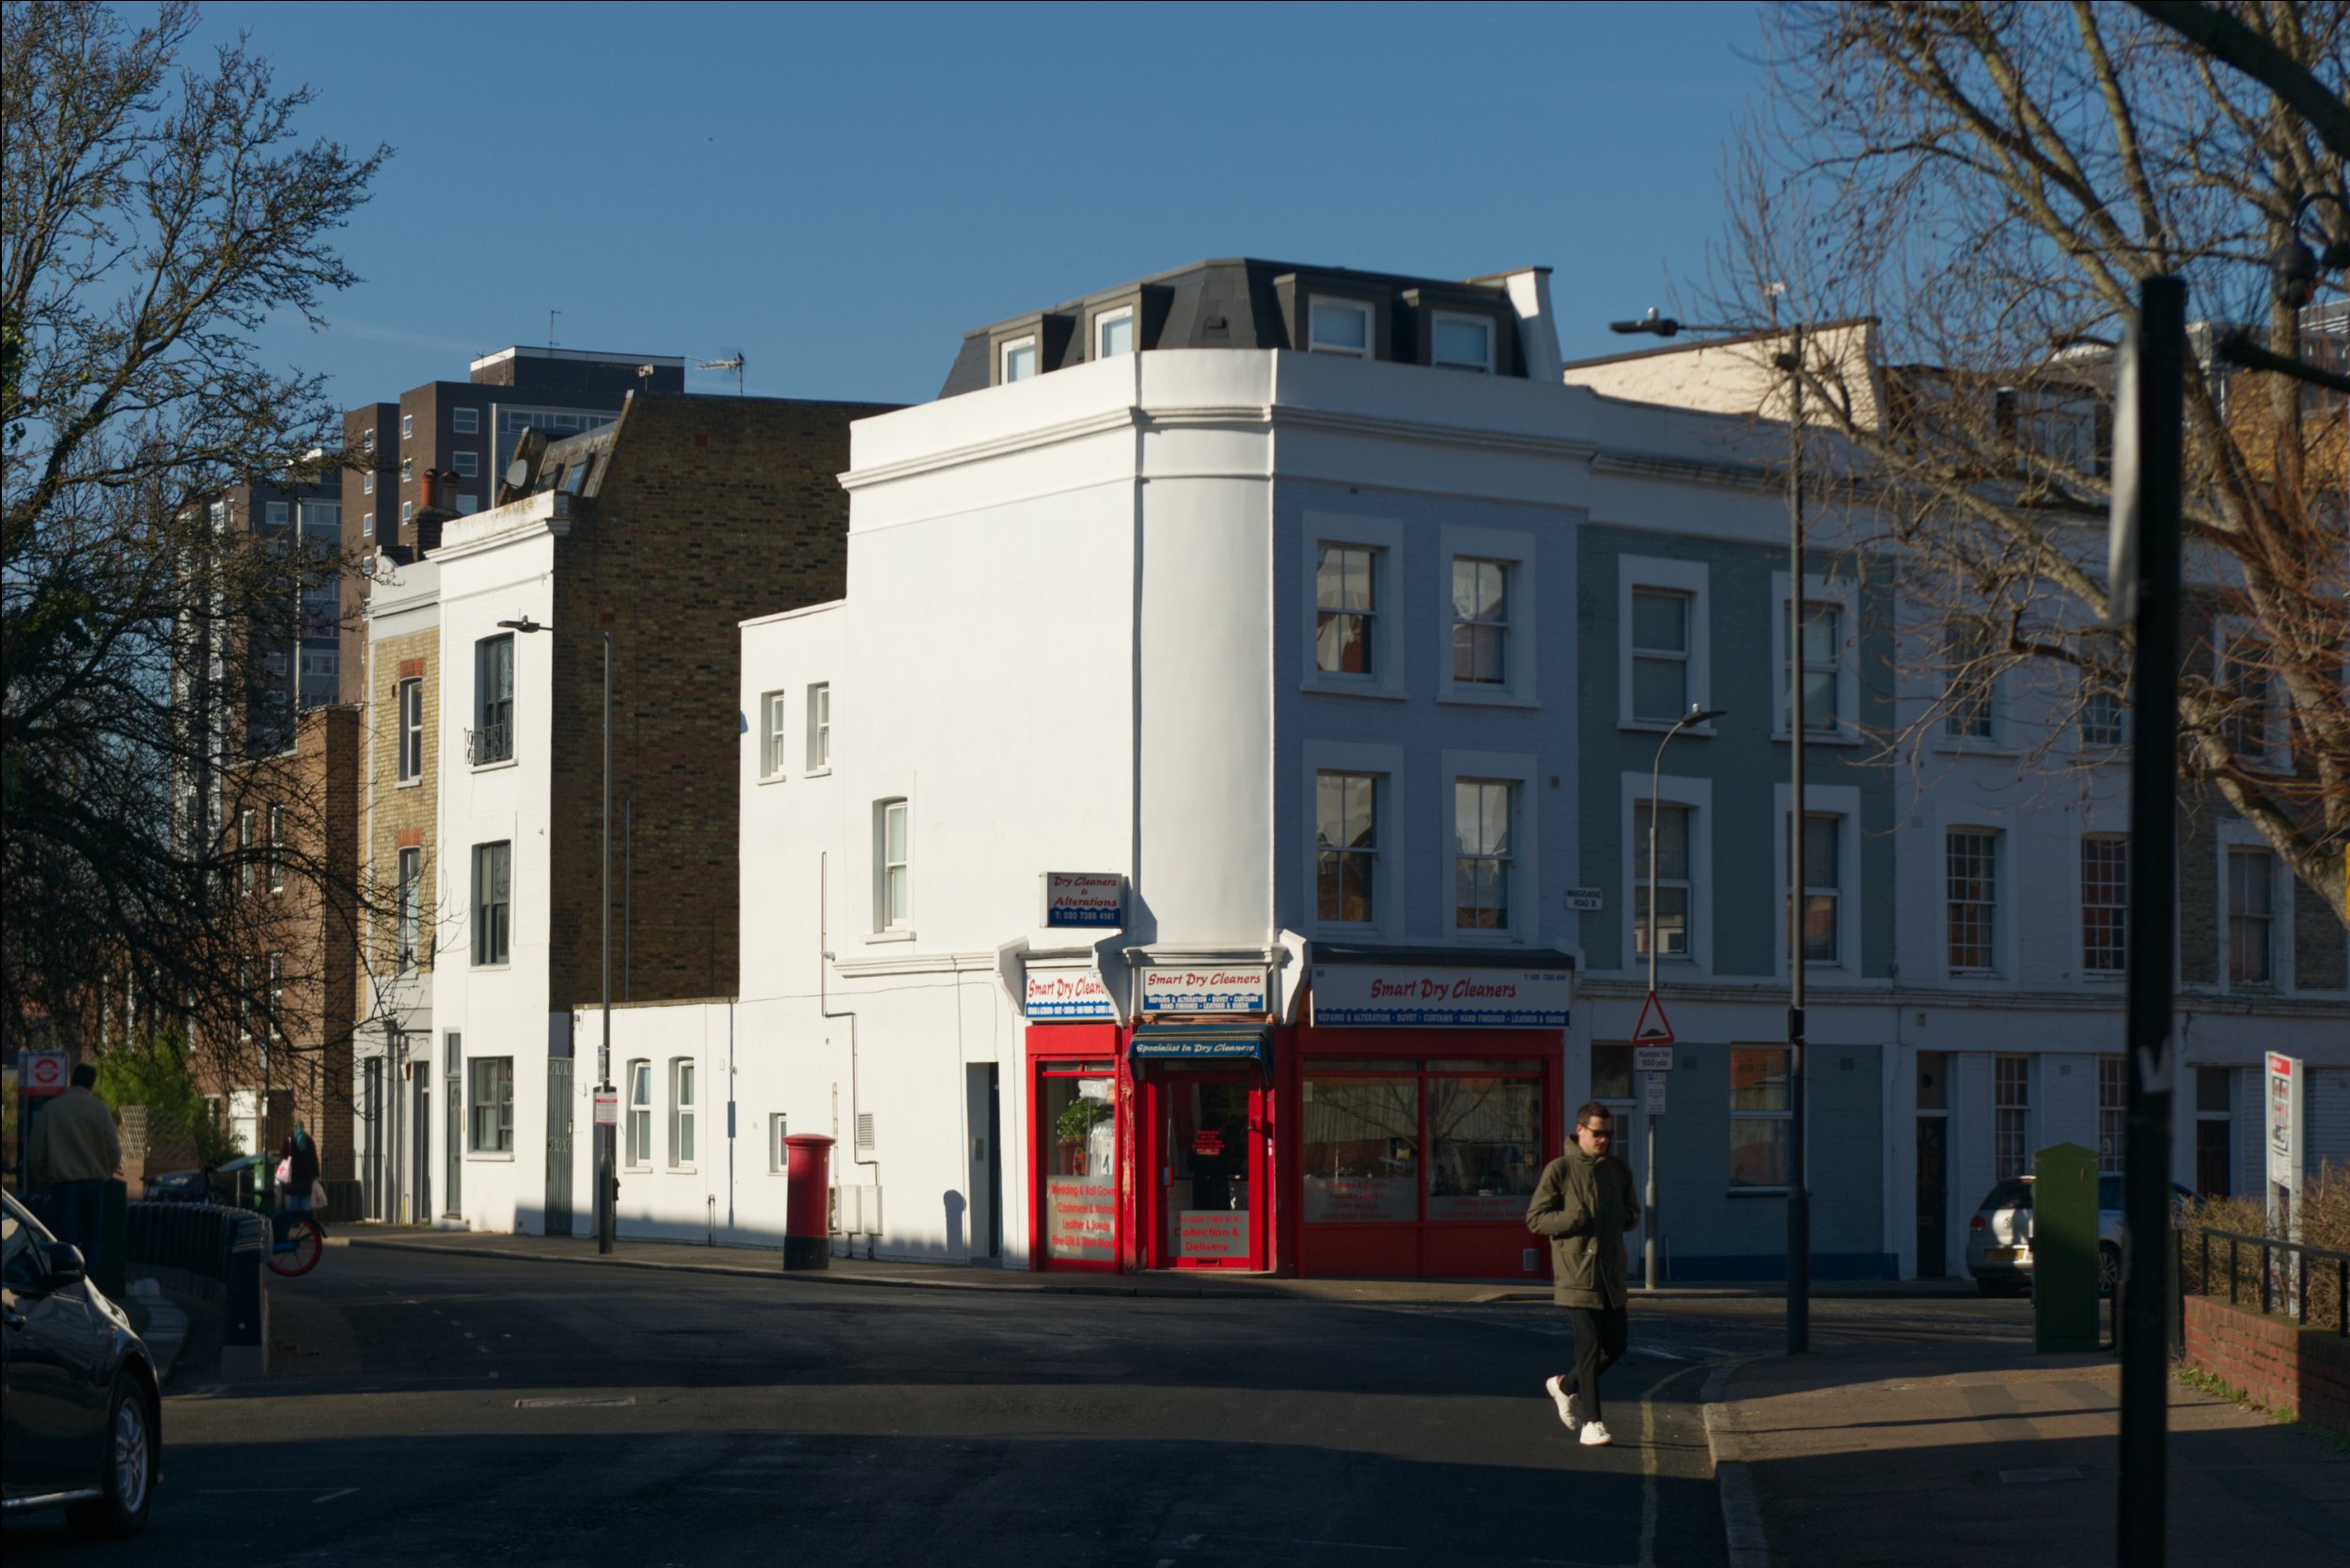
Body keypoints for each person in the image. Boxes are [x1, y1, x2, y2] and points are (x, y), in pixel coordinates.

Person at [1526, 1101, 1641, 1448]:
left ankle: (1564, 1386)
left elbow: (1633, 1212)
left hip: (1611, 1274)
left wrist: (1626, 1217)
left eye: (1608, 1134)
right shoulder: (1559, 1169)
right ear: (1580, 1131)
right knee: (1589, 1348)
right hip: (1577, 1273)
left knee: (1617, 1346)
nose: (1604, 1140)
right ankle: (1593, 1423)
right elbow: (1535, 1219)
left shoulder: (1619, 1170)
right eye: (1597, 1133)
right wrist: (1573, 1219)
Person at [26, 1062, 123, 1277]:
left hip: (62, 1183)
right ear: (92, 1084)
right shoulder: (99, 1109)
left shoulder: (52, 1109)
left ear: (72, 1081)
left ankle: (67, 1286)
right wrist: (105, 1173)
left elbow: (36, 1151)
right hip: (93, 1183)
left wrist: (45, 1177)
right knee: (91, 1239)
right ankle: (91, 1285)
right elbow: (114, 1150)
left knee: (65, 1241)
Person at [280, 1124, 322, 1222]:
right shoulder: (309, 1140)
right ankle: (309, 1224)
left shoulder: (289, 1140)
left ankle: (294, 1223)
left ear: (295, 1128)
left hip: (293, 1176)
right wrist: (316, 1174)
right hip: (306, 1177)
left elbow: (283, 1154)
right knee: (305, 1201)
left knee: (294, 1201)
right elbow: (314, 1158)